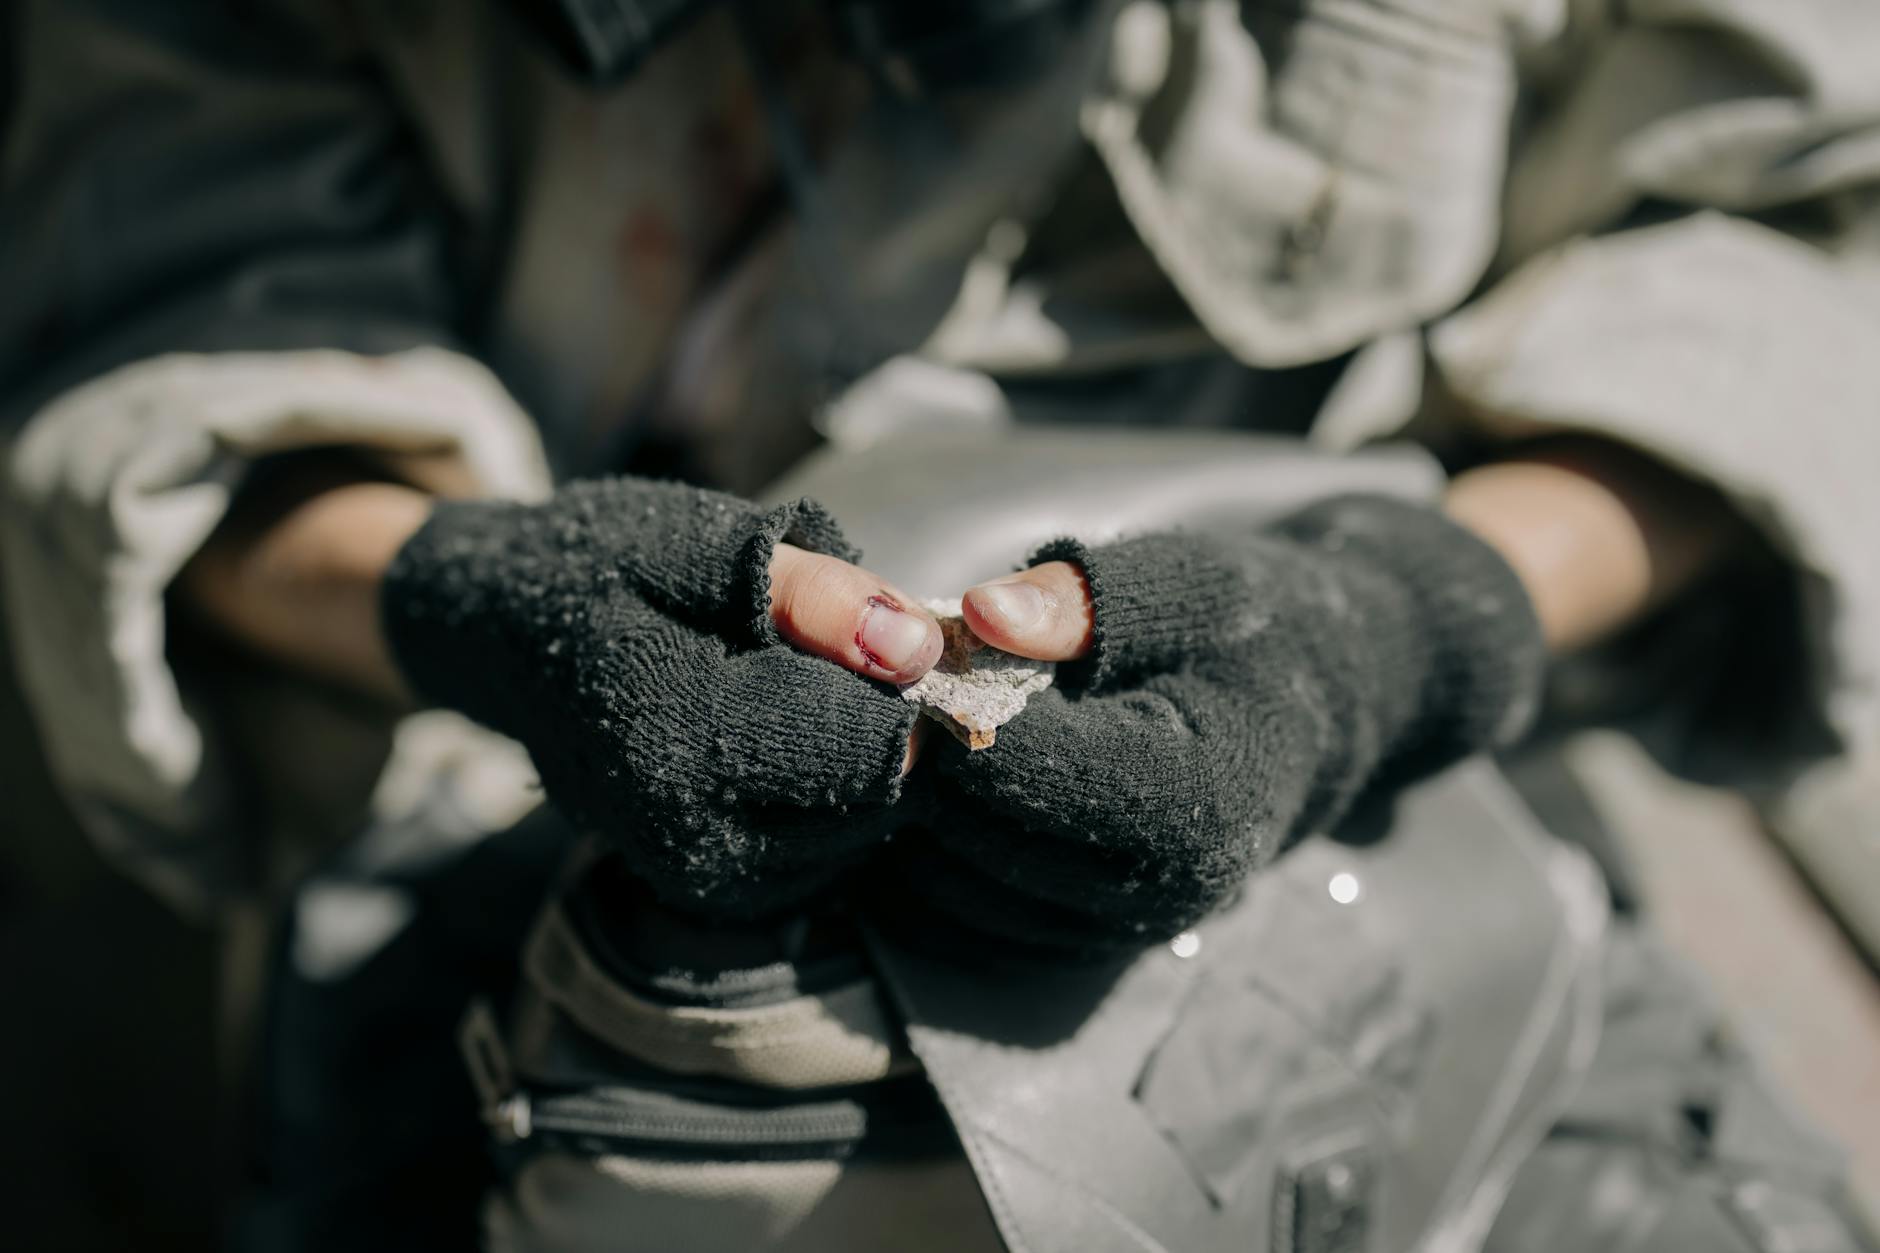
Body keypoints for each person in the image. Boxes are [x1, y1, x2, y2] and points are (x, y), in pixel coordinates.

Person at [2, 0, 1876, 1248]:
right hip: (496, 900)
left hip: (1356, 860)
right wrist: (462, 594)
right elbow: (164, 329)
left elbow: (1809, 240)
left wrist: (1403, 626)